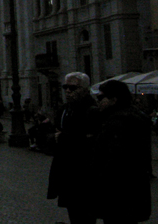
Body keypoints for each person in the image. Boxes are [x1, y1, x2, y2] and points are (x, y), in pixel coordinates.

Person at [93, 80, 151, 223]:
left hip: (119, 193)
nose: (98, 101)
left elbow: (115, 160)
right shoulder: (133, 117)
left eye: (101, 98)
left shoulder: (118, 122)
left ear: (114, 99)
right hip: (132, 191)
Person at [47, 72, 100, 224]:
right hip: (66, 170)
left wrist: (64, 137)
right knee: (74, 213)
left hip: (85, 172)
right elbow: (54, 133)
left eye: (73, 88)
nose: (68, 91)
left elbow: (91, 140)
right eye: (66, 87)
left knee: (86, 215)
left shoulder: (91, 110)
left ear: (84, 89)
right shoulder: (64, 109)